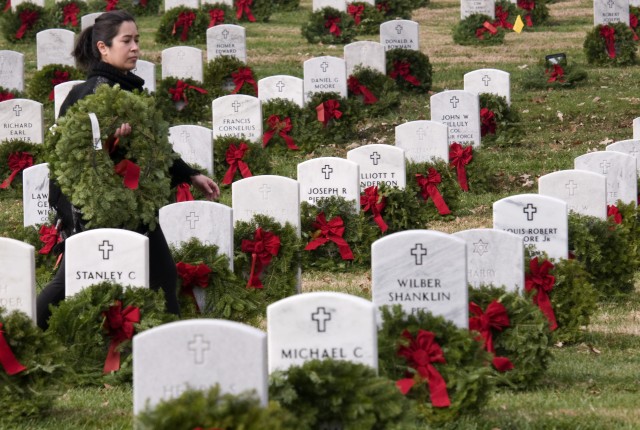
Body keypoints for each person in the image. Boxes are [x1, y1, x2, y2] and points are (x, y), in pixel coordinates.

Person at [36, 10, 220, 329]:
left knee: (161, 275)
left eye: (137, 40)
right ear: (103, 48)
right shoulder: (92, 94)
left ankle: (165, 342)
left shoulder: (127, 88)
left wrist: (190, 174)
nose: (135, 47)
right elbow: (71, 158)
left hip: (132, 203)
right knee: (69, 281)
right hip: (94, 207)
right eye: (127, 40)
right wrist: (107, 142)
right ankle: (23, 332)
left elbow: (152, 147)